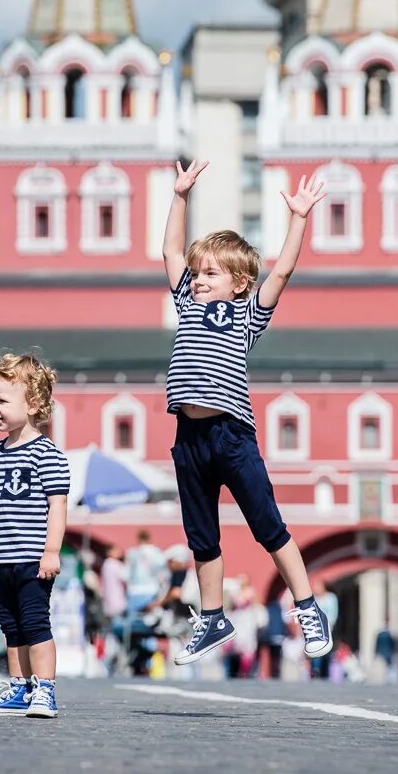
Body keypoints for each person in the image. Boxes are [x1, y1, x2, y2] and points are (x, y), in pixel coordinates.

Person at [162, 159, 332, 666]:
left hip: (232, 434)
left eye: (209, 273)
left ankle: (307, 607)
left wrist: (298, 218)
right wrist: (180, 196)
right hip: (188, 439)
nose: (197, 280)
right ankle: (213, 617)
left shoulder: (246, 313)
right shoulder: (186, 304)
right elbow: (171, 250)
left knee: (266, 526)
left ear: (238, 281)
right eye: (196, 274)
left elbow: (282, 270)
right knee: (201, 537)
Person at [0, 353, 70, 719]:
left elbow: (57, 506)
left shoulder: (48, 455)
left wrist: (51, 551)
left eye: (2, 401)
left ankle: (45, 690)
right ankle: (19, 689)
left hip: (31, 557)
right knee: (10, 627)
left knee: (34, 622)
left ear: (32, 404)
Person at [310, 581, 339, 679]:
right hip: (316, 628)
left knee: (327, 651)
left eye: (317, 587)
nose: (315, 589)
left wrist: (329, 626)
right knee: (316, 648)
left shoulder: (331, 598)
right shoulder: (314, 599)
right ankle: (316, 669)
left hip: (327, 628)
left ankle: (325, 671)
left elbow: (333, 613)